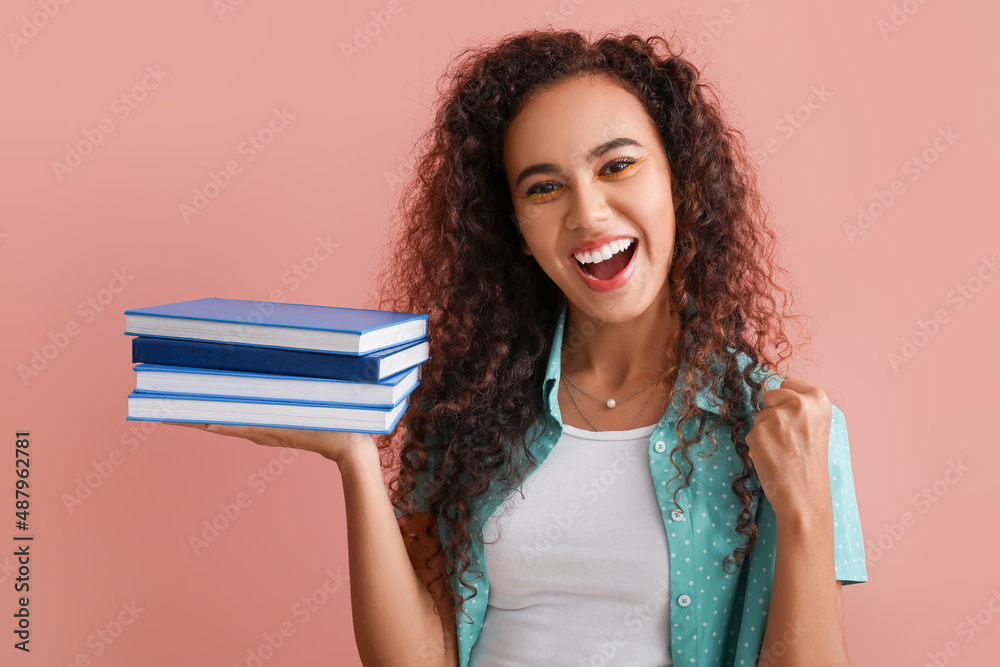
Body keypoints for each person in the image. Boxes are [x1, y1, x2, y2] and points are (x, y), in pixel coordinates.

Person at [167, 27, 868, 667]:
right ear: (517, 228)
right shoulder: (468, 404)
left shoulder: (786, 428)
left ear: (679, 181)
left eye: (617, 165)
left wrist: (803, 512)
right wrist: (354, 455)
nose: (587, 212)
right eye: (545, 187)